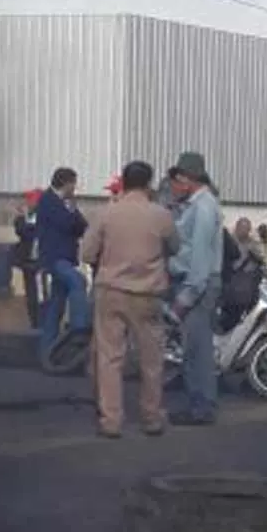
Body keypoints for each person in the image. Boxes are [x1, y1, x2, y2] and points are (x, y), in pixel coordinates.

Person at [80, 160, 178, 439]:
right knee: (151, 358)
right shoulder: (161, 215)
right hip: (148, 293)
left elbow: (86, 253)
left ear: (122, 182)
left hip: (111, 290)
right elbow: (176, 246)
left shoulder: (107, 214)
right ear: (149, 184)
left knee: (110, 356)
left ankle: (111, 420)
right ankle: (151, 417)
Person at [166, 151, 224, 427]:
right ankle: (198, 403)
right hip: (194, 281)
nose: (174, 185)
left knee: (197, 350)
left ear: (188, 179)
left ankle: (202, 407)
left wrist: (185, 298)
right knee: (193, 348)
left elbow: (200, 257)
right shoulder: (193, 205)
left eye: (177, 179)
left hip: (197, 285)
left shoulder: (203, 208)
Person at [35, 166, 90, 352]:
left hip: (66, 255)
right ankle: (79, 326)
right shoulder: (48, 201)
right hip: (55, 257)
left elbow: (82, 226)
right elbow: (67, 224)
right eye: (73, 183)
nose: (75, 188)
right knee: (77, 281)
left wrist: (73, 214)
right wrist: (72, 212)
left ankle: (47, 348)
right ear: (66, 183)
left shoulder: (65, 204)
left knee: (56, 303)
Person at [10, 188, 43, 328]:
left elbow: (31, 233)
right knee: (31, 294)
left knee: (41, 295)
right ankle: (33, 321)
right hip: (28, 261)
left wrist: (26, 224)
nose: (28, 202)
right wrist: (22, 219)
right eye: (28, 199)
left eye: (32, 199)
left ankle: (41, 322)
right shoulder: (25, 217)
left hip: (41, 262)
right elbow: (20, 230)